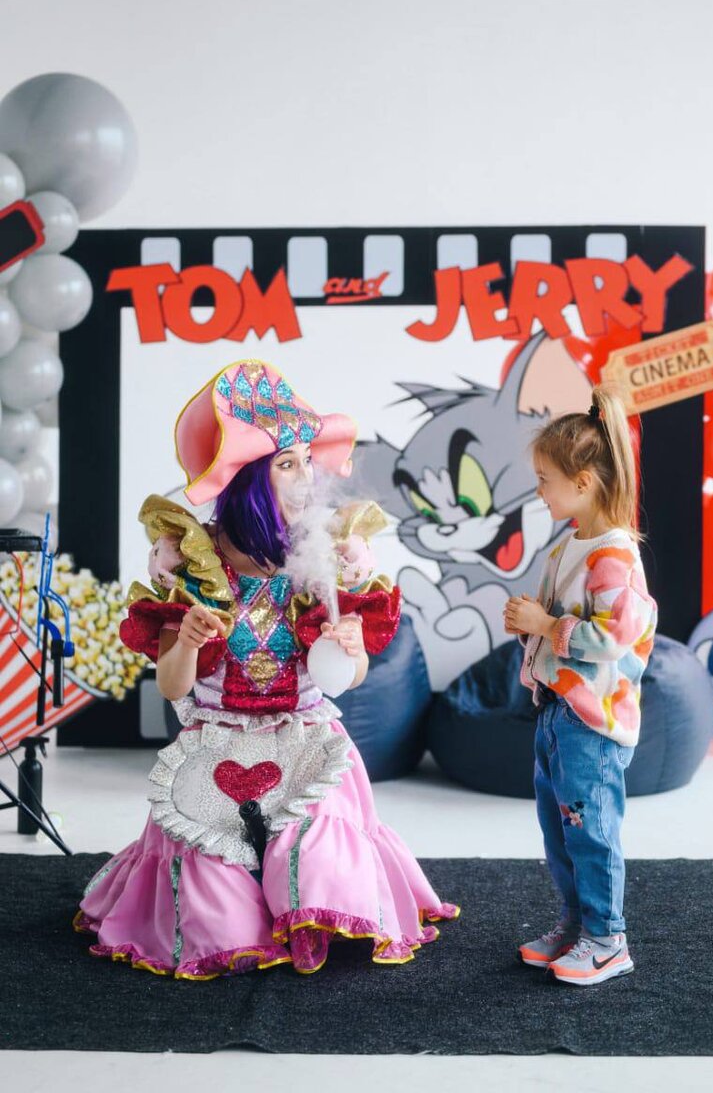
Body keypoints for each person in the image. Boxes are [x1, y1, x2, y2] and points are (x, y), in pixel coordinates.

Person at [74, 359, 457, 979]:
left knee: (320, 858)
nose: (307, 477)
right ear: (248, 478)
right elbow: (172, 686)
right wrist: (185, 642)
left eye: (307, 460)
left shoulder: (324, 556)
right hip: (214, 744)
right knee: (214, 903)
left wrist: (351, 649)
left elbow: (346, 677)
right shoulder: (192, 563)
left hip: (305, 737)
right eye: (287, 464)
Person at [503, 386, 657, 986]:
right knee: (560, 830)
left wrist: (545, 625)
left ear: (584, 482)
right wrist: (531, 624)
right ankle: (577, 926)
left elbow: (615, 636)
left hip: (591, 724)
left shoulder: (613, 555)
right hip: (558, 715)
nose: (539, 491)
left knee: (591, 831)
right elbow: (559, 620)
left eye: (546, 480)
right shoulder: (569, 546)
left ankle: (607, 938)